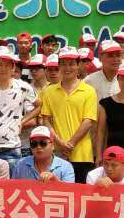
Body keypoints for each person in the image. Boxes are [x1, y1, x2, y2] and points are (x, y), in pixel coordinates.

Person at [38, 48, 98, 183]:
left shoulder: (89, 91)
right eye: (63, 64)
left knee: (80, 193)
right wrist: (59, 143)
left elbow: (88, 121)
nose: (67, 68)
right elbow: (46, 120)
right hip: (56, 154)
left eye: (71, 64)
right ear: (59, 66)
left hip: (82, 155)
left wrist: (70, 144)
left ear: (78, 65)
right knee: (55, 192)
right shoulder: (49, 92)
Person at [0, 47, 38, 161]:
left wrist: (22, 121)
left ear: (13, 68)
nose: (3, 68)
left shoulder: (23, 87)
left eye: (7, 65)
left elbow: (39, 106)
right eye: (0, 64)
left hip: (12, 149)